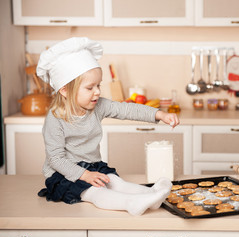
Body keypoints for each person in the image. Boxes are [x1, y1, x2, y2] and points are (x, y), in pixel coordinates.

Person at [36, 37, 179, 216]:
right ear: (64, 90)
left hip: (92, 166)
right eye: (90, 88)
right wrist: (85, 175)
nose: (97, 91)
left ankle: (152, 195)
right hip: (64, 174)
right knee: (96, 192)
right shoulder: (55, 118)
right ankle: (131, 204)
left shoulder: (98, 105)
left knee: (115, 182)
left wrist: (160, 114)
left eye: (98, 85)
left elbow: (127, 109)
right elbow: (56, 159)